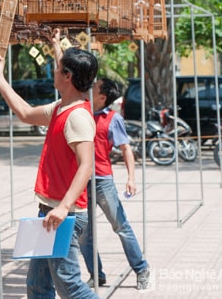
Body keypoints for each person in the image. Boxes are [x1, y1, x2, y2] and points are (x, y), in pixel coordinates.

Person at [0, 29, 99, 299]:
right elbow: (24, 113)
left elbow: (86, 167)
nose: (53, 71)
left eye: (58, 68)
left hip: (63, 214)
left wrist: (64, 207)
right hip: (50, 211)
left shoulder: (77, 117)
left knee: (69, 286)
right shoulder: (60, 108)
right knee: (37, 285)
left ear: (67, 76)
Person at [79, 78, 150, 290]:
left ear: (102, 97)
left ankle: (141, 268)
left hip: (102, 181)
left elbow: (126, 148)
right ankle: (96, 275)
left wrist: (131, 178)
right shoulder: (81, 113)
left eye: (94, 87)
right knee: (84, 234)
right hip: (81, 183)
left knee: (121, 227)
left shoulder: (113, 118)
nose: (89, 88)